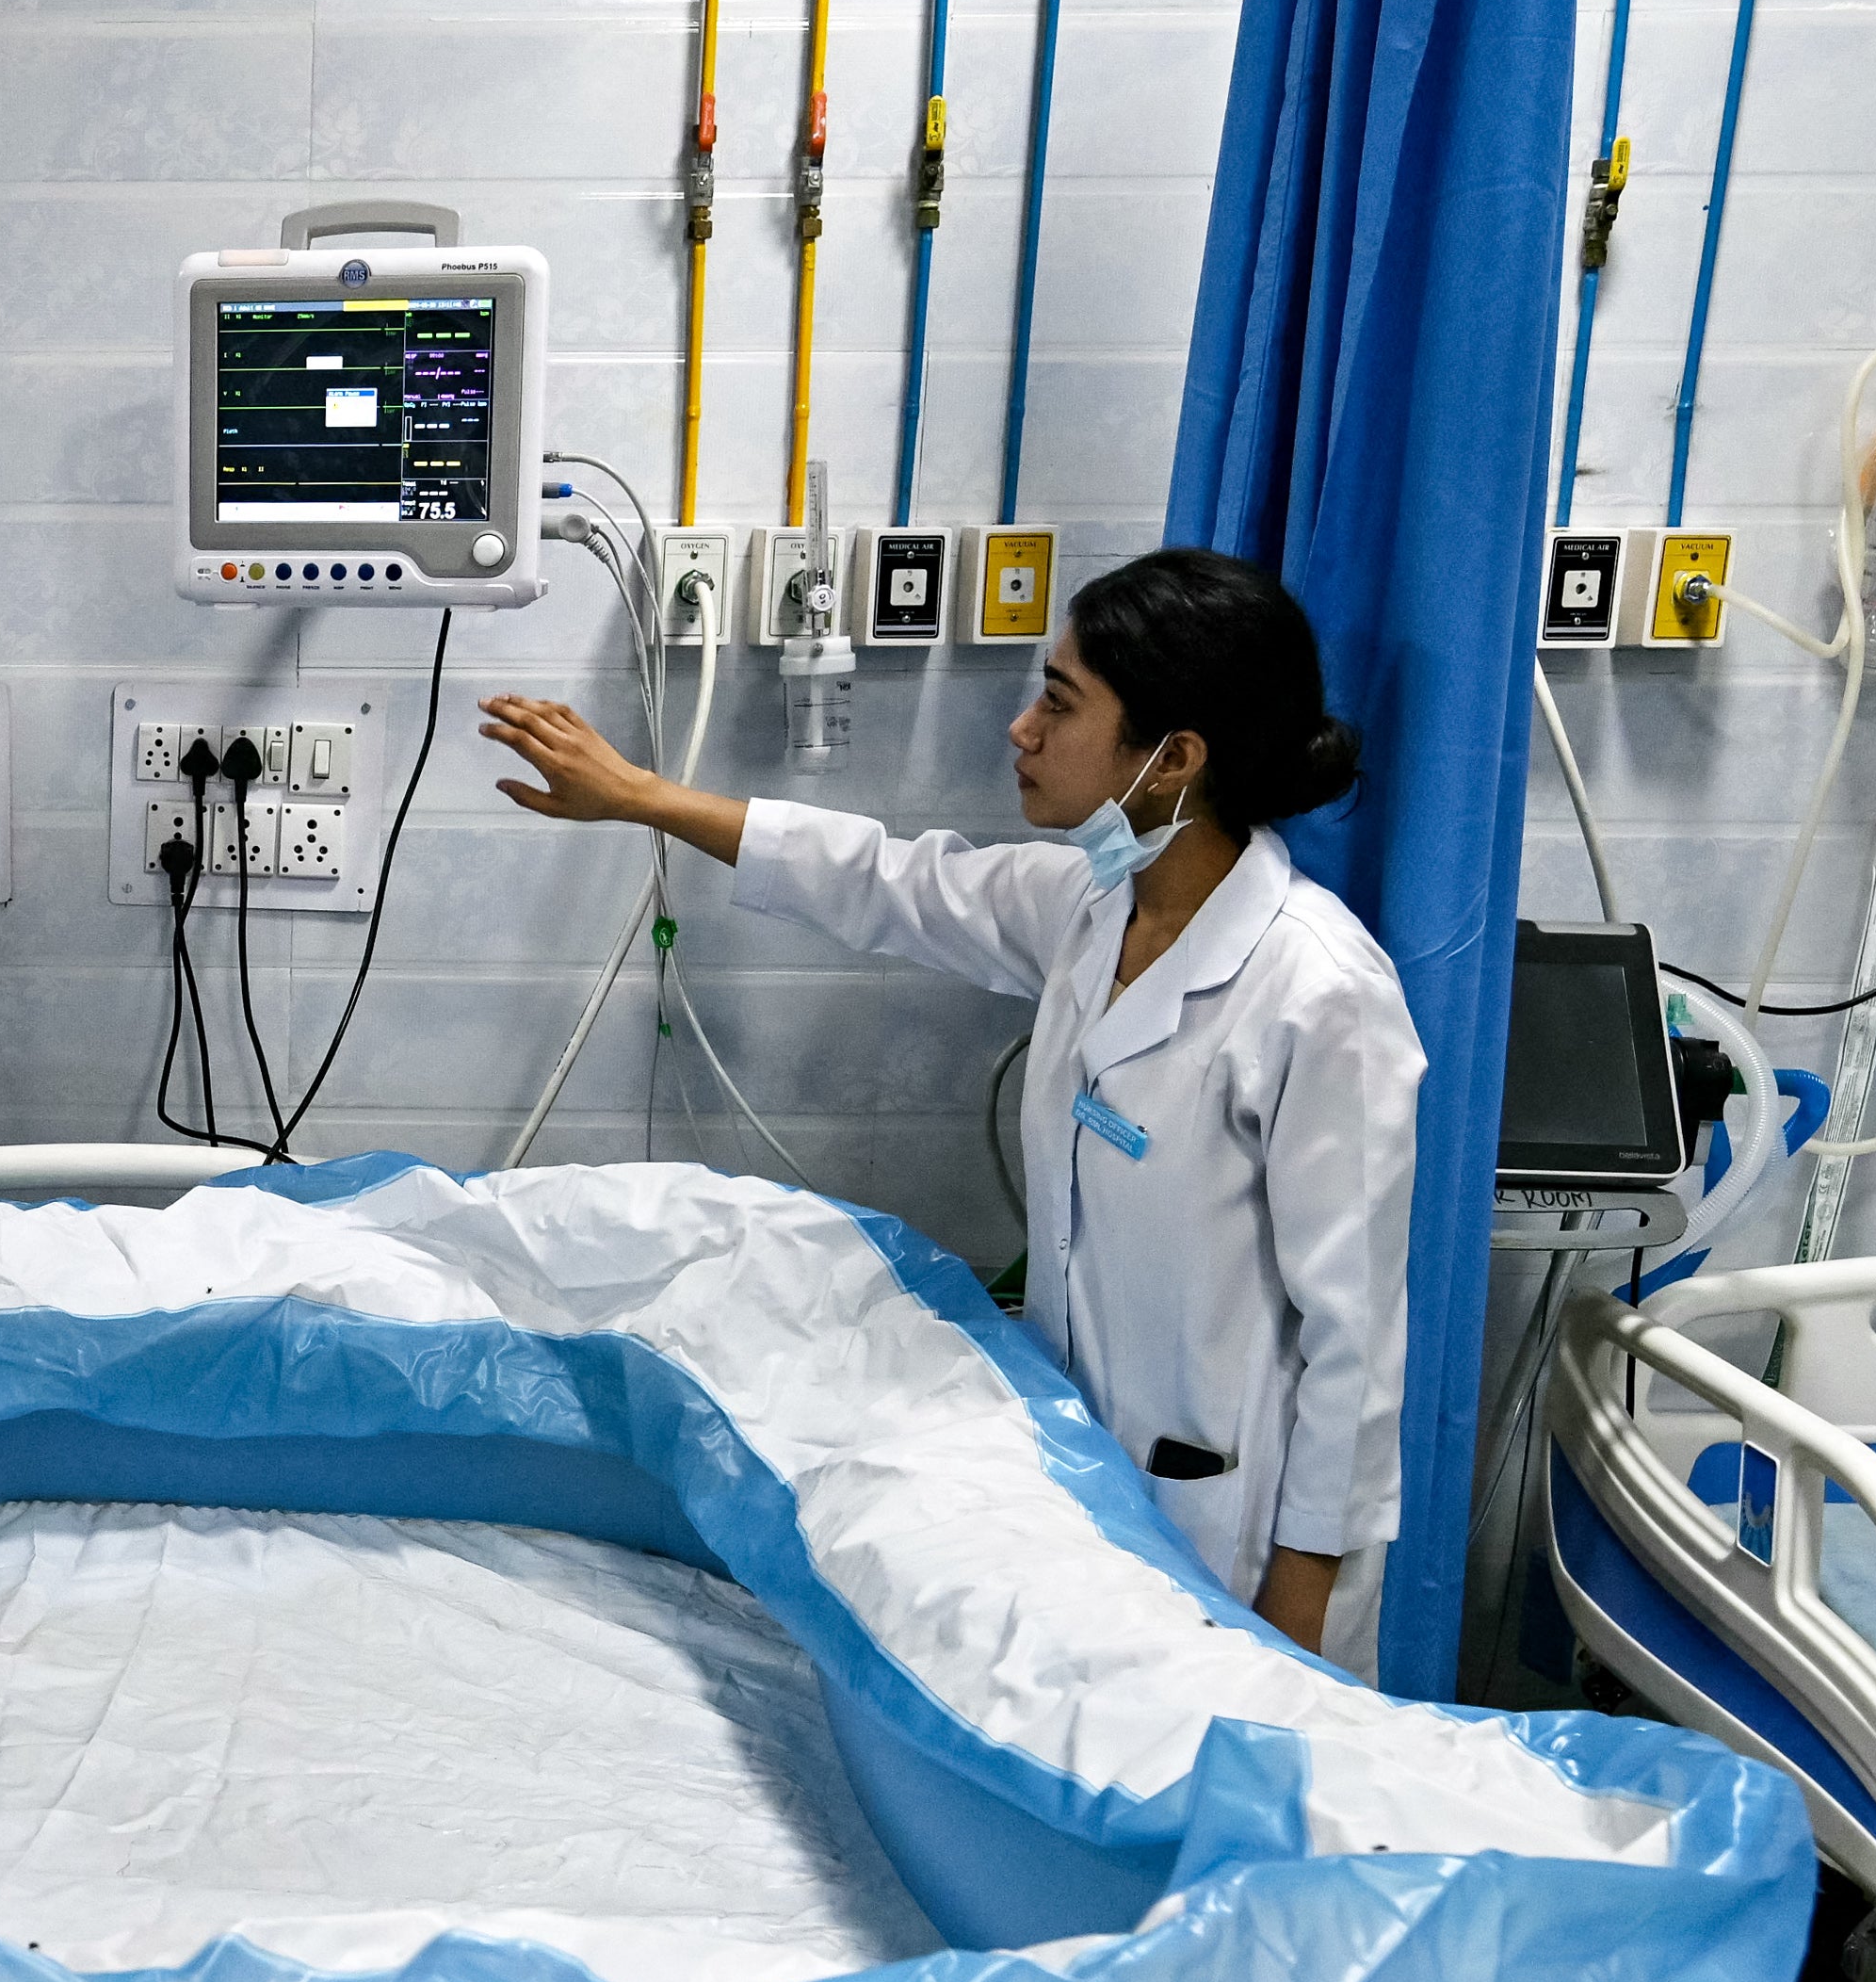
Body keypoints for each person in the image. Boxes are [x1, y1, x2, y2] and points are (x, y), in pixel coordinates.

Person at [476, 546, 1422, 1659]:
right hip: (1089, 1488)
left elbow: (1356, 1342)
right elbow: (885, 881)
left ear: (1171, 757)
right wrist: (643, 797)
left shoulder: (1319, 993)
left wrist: (1301, 1606)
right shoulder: (1091, 905)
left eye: (1058, 703)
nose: (1021, 729)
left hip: (1237, 1530)